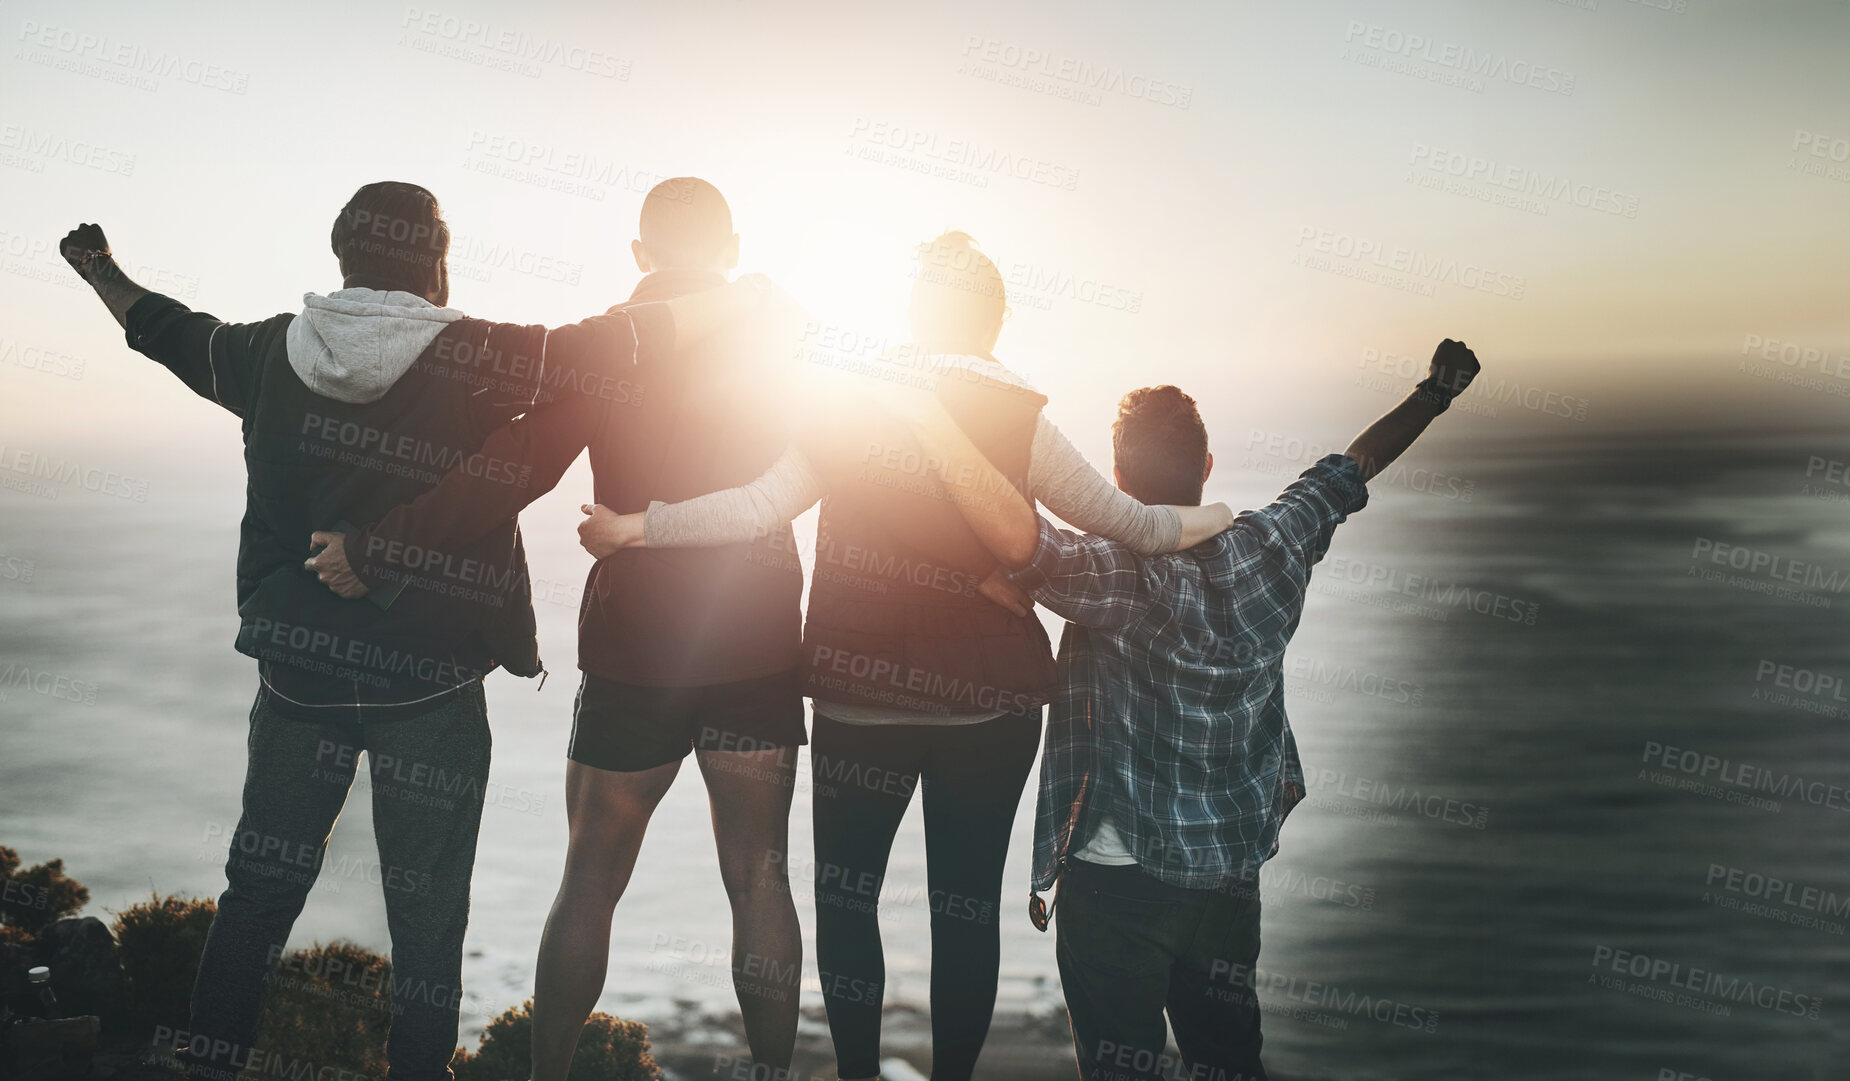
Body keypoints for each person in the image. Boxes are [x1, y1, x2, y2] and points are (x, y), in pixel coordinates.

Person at [56, 183, 751, 1081]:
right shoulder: (484, 357)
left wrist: (99, 270)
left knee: (260, 891)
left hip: (298, 678)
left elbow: (165, 327)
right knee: (428, 913)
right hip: (428, 682)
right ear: (437, 261)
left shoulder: (265, 353)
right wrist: (731, 300)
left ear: (342, 257)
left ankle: (210, 1063)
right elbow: (614, 343)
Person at [578, 232, 1231, 1081]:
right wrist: (1222, 517)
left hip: (859, 703)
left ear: (917, 315)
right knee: (964, 916)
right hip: (991, 710)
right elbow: (1138, 526)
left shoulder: (854, 400)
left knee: (847, 907)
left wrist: (640, 525)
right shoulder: (1022, 419)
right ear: (995, 323)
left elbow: (756, 505)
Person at [305, 178, 816, 1080]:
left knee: (591, 874)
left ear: (639, 252)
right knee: (760, 874)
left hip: (637, 639)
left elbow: (513, 467)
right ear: (731, 246)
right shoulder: (778, 341)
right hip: (760, 635)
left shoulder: (613, 344)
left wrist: (377, 545)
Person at [876, 340, 1482, 1081]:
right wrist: (1434, 392)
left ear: (1120, 482)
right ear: (1207, 468)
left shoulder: (1117, 571)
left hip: (1119, 878)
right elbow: (1354, 467)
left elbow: (1021, 537)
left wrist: (930, 416)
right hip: (1229, 874)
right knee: (1228, 1061)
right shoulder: (1274, 543)